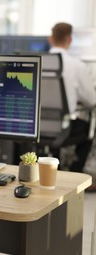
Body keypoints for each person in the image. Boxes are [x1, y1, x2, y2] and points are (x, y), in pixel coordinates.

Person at [48, 22, 96, 178]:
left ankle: (54, 163)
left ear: (50, 39)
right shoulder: (78, 66)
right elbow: (91, 101)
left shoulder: (37, 62)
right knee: (90, 130)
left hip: (37, 128)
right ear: (69, 40)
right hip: (64, 128)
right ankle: (76, 174)